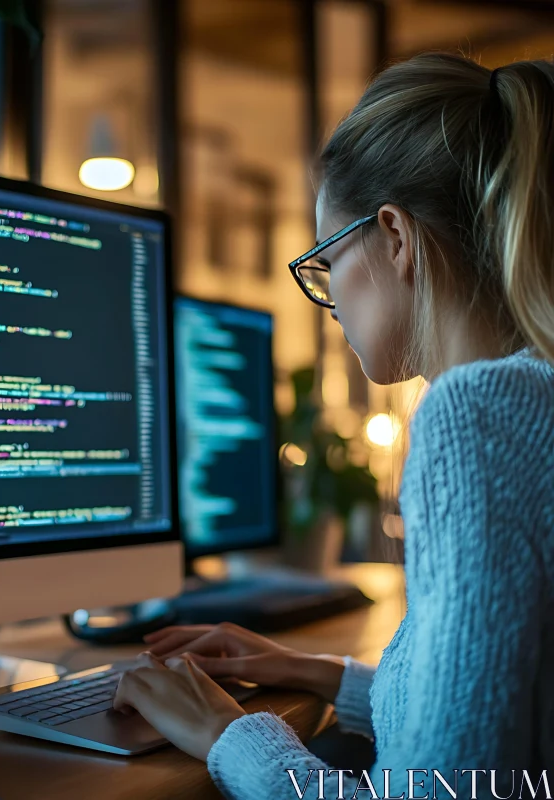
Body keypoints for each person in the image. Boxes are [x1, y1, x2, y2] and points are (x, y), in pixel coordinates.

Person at [112, 52, 554, 799]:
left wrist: (228, 734)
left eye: (324, 262)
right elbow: (504, 727)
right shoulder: (532, 396)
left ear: (395, 236)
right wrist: (313, 673)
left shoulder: (477, 418)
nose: (330, 298)